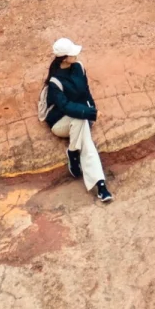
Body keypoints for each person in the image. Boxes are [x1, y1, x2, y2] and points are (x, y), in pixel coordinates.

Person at [42, 38, 113, 203]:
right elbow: (65, 107)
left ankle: (75, 154)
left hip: (79, 117)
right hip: (60, 123)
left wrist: (91, 109)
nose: (77, 54)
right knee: (81, 124)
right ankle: (100, 185)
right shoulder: (55, 82)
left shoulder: (79, 67)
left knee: (82, 124)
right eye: (73, 53)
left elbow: (86, 92)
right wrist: (89, 113)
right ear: (65, 58)